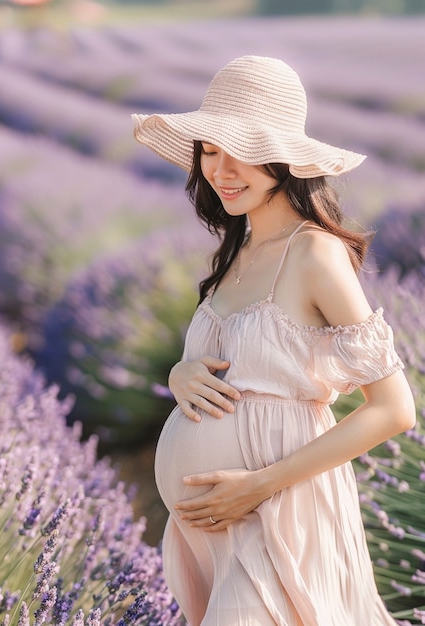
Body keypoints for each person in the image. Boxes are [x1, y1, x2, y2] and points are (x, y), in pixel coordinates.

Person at [132, 56, 416, 626]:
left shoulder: (314, 253)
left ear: (285, 159)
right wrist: (179, 373)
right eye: (210, 150)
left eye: (243, 151)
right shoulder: (235, 252)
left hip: (278, 511)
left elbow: (394, 410)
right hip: (215, 528)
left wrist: (257, 486)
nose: (222, 169)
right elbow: (234, 367)